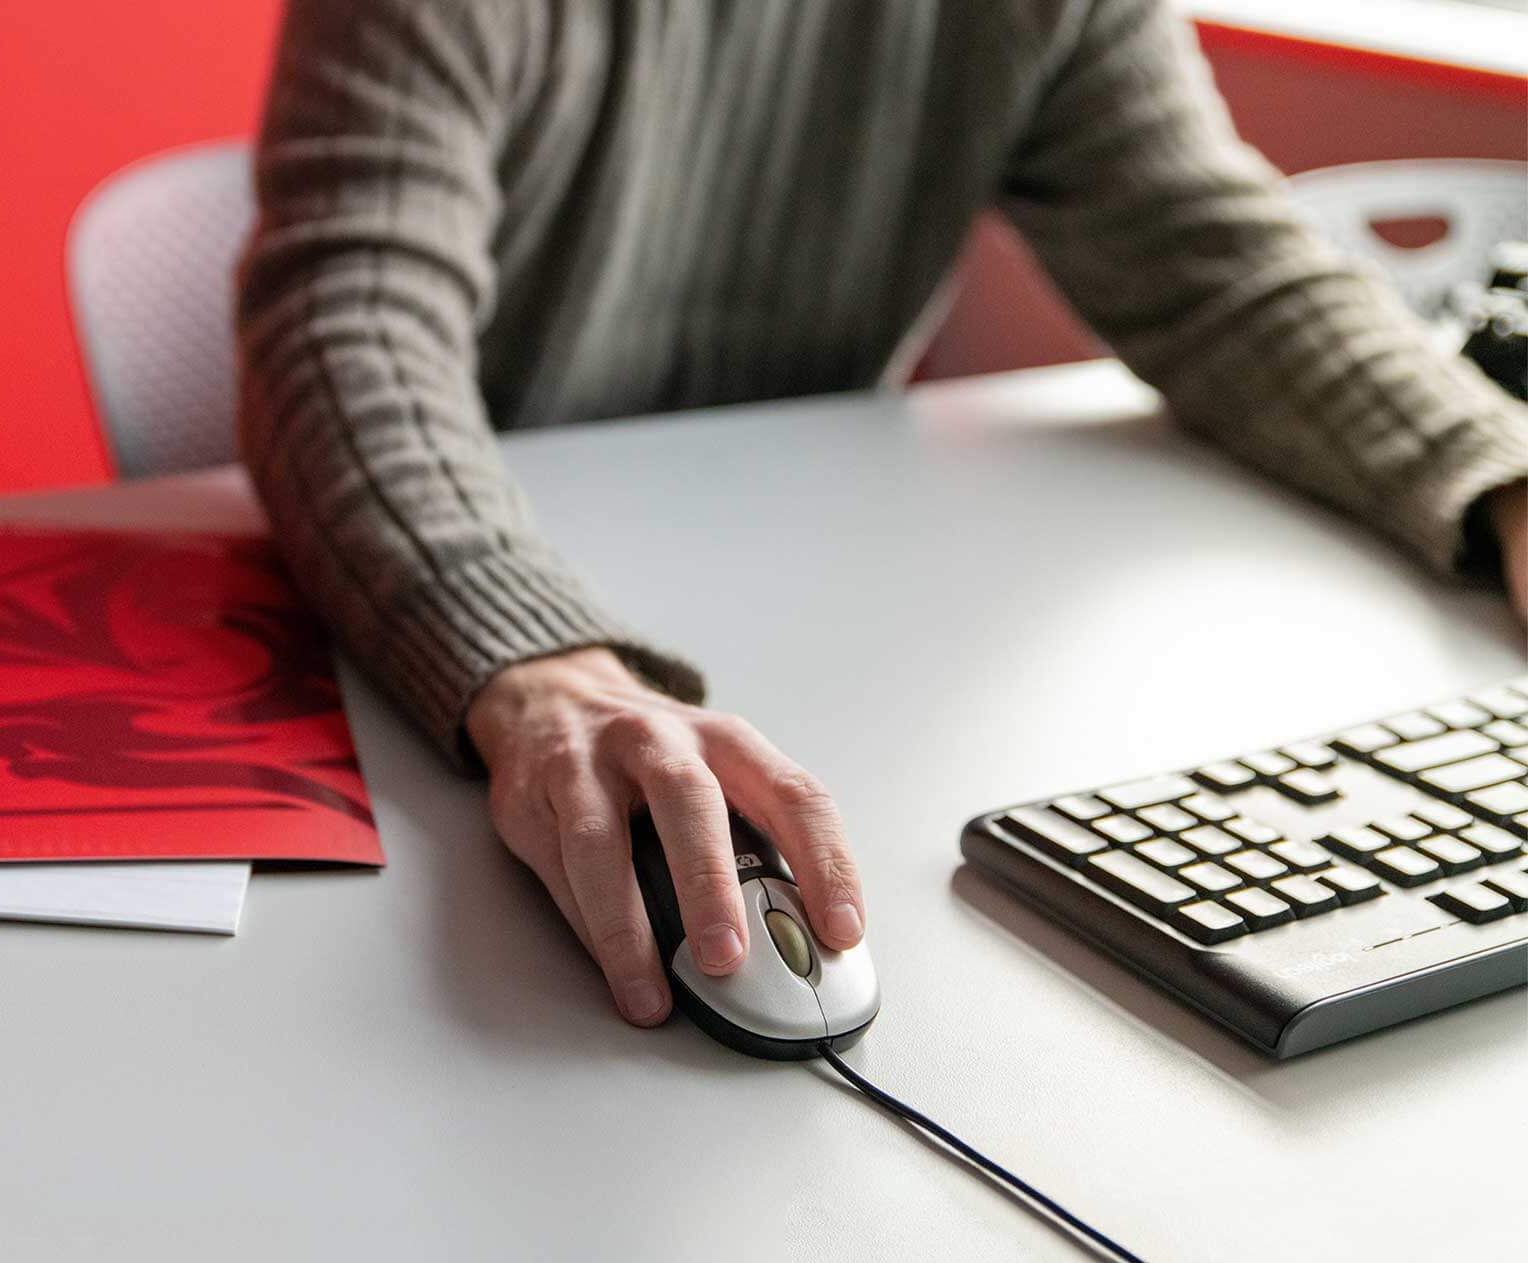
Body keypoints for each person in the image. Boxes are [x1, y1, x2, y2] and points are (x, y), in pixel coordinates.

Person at [234, 0, 1528, 1029]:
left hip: (820, 619)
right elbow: (348, 314)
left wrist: (1501, 470)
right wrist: (533, 665)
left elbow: (1220, 262)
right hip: (470, 636)